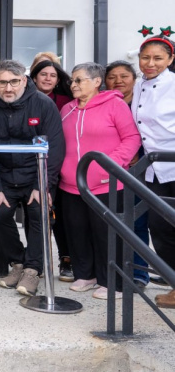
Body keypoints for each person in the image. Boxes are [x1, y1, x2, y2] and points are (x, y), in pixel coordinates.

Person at [0, 59, 65, 297]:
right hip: (4, 178)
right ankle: (18, 264)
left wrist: (43, 185)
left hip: (36, 177)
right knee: (0, 216)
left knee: (39, 218)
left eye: (14, 82)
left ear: (24, 81)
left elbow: (55, 148)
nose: (8, 88)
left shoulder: (43, 104)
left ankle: (33, 270)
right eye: (3, 82)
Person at [59, 62, 140, 300]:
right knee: (77, 231)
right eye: (72, 81)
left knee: (106, 234)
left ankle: (112, 282)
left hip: (106, 183)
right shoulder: (68, 109)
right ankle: (86, 275)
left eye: (78, 80)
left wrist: (110, 165)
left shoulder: (114, 104)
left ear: (96, 82)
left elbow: (132, 138)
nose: (73, 85)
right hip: (71, 184)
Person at [132, 34, 175, 308]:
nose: (150, 63)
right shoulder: (139, 85)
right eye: (145, 57)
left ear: (170, 60)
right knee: (160, 229)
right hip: (154, 169)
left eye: (158, 58)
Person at [105, 60, 150, 288]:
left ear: (134, 79)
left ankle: (141, 274)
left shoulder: (145, 102)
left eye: (124, 76)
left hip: (145, 170)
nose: (118, 81)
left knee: (140, 222)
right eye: (112, 76)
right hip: (115, 171)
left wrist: (137, 153)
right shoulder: (105, 104)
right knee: (121, 222)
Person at [30, 59, 73, 282]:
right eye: (43, 74)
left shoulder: (66, 102)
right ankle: (33, 262)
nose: (48, 78)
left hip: (58, 163)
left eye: (53, 75)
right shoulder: (24, 98)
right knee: (35, 215)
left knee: (57, 214)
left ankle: (65, 258)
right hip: (29, 164)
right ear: (34, 76)